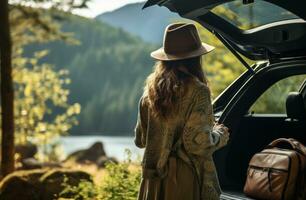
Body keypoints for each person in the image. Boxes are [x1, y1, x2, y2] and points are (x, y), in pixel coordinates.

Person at [134, 23, 230, 200]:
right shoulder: (198, 91)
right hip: (182, 181)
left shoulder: (149, 94)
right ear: (195, 58)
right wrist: (219, 135)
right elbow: (198, 144)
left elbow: (140, 140)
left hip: (152, 183)